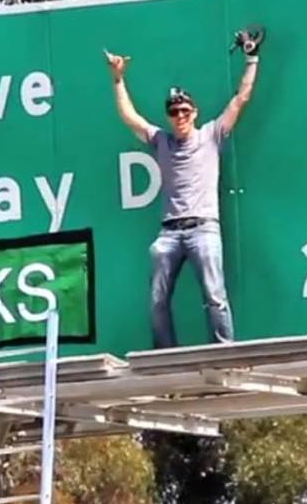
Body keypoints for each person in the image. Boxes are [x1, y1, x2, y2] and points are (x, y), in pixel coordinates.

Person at [105, 34, 261, 348]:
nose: (180, 117)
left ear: (195, 112)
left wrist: (251, 59)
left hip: (204, 227)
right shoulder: (161, 140)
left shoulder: (212, 135)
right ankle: (166, 357)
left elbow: (241, 99)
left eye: (185, 111)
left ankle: (224, 353)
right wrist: (118, 79)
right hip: (169, 233)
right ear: (168, 116)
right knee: (157, 299)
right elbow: (129, 117)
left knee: (215, 296)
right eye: (174, 112)